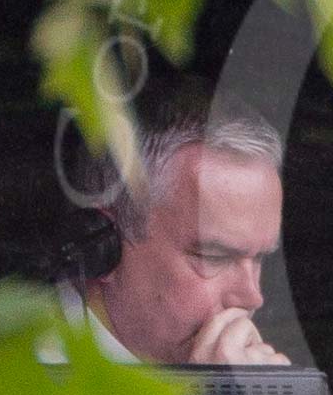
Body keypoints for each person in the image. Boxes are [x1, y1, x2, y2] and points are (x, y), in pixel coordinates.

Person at [60, 86, 290, 366]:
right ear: (99, 246)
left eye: (259, 258)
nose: (251, 296)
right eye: (213, 257)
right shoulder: (14, 384)